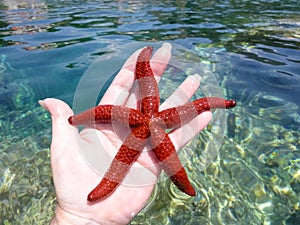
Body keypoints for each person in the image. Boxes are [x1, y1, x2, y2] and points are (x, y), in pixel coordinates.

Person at [39, 43, 212, 225]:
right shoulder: (142, 125)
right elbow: (105, 112)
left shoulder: (142, 125)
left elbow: (106, 112)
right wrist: (77, 217)